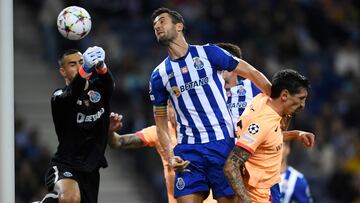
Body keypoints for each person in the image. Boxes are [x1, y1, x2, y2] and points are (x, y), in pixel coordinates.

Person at [149, 7, 272, 203]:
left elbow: (252, 73)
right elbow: (161, 123)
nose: (157, 26)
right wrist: (171, 156)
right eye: (154, 25)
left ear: (179, 26)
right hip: (188, 149)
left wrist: (277, 104)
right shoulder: (159, 75)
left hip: (222, 145)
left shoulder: (208, 53)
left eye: (162, 21)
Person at [33, 46, 114, 203]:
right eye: (72, 64)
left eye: (81, 62)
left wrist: (101, 66)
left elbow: (110, 85)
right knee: (70, 198)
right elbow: (73, 91)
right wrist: (85, 69)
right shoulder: (59, 97)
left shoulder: (99, 91)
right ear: (63, 71)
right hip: (66, 165)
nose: (79, 67)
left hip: (90, 170)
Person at [224, 69, 313, 203]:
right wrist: (246, 201)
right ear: (284, 95)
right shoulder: (263, 123)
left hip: (269, 190)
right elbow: (231, 166)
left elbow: (268, 138)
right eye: (301, 99)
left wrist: (296, 134)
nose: (302, 105)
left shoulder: (263, 100)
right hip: (259, 196)